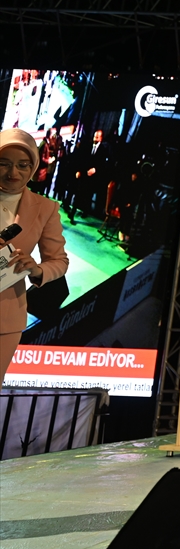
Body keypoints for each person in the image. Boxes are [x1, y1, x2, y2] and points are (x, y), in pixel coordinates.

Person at [0, 129, 70, 380]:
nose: (13, 172)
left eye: (23, 165)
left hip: (6, 317)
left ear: (33, 167)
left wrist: (36, 269)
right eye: (4, 163)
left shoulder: (46, 209)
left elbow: (59, 261)